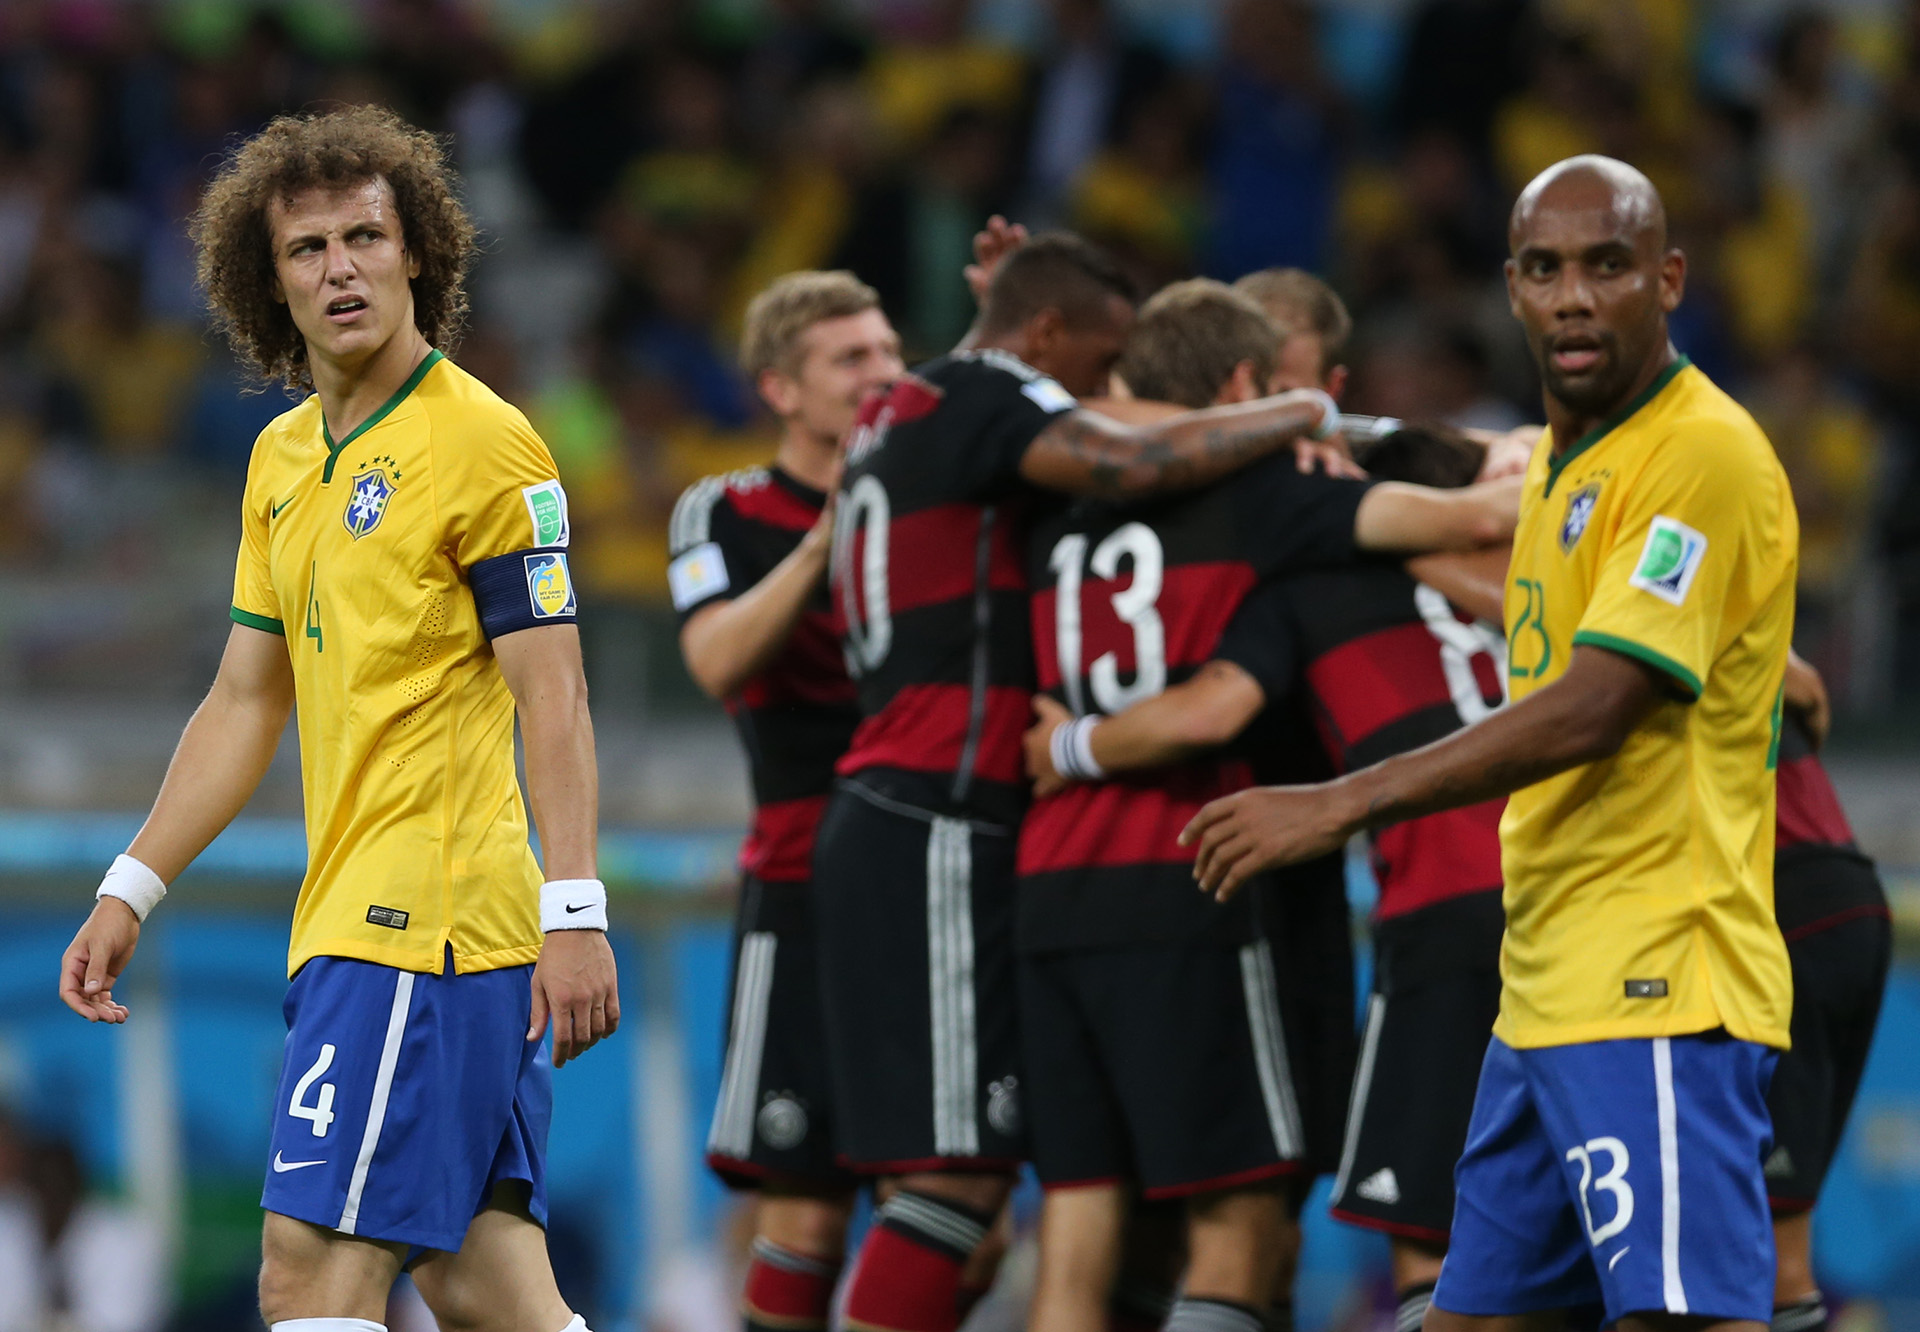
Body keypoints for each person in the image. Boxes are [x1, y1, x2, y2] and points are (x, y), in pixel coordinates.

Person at [1184, 155, 1797, 1332]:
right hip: (1544, 986)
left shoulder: (1699, 453)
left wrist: (1342, 801)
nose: (1575, 298)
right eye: (1546, 270)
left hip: (1656, 975)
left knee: (1684, 1314)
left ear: (1668, 280)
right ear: (1511, 288)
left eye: (1608, 266)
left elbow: (1598, 702)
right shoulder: (1565, 461)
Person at [55, 106, 618, 1332]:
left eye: (365, 236)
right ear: (271, 282)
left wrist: (576, 910)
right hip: (354, 920)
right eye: (307, 249)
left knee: (309, 1269)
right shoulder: (281, 460)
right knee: (485, 1282)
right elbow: (244, 698)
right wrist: (130, 886)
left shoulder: (482, 441)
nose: (341, 268)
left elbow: (555, 692)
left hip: (426, 927)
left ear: (417, 251)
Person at [811, 231, 1401, 1332]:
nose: (1108, 386)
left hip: (957, 829)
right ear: (1043, 336)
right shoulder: (995, 400)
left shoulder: (922, 406)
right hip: (947, 811)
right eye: (1099, 357)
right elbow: (1133, 458)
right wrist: (1300, 412)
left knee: (1031, 1208)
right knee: (959, 1189)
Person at [1012, 279, 1521, 1332]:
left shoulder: (1054, 500)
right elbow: (1501, 497)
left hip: (1059, 878)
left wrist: (1061, 743)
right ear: (1251, 387)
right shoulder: (1281, 504)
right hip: (1206, 874)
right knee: (1247, 1225)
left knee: (1085, 1218)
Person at [668, 271, 902, 1332]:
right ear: (780, 388)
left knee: (961, 1205)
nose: (882, 373)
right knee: (804, 1208)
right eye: (851, 358)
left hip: (942, 883)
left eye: (889, 351)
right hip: (805, 887)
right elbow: (716, 657)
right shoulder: (724, 511)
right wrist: (827, 540)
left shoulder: (935, 509)